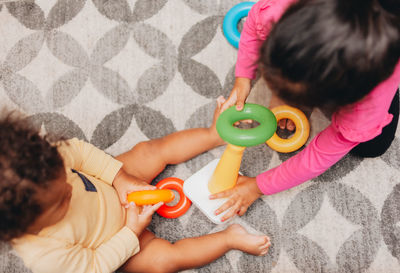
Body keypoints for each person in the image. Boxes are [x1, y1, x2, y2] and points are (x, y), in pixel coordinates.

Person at [0, 98, 271, 273]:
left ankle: (214, 134)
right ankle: (228, 239)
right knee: (162, 261)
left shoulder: (43, 162)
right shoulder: (46, 257)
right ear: (27, 227)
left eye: (65, 179)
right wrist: (131, 232)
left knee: (148, 151)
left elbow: (80, 154)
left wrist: (119, 178)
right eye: (61, 201)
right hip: (116, 240)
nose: (70, 189)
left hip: (110, 183)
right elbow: (95, 266)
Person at [213, 0, 400, 221]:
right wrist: (243, 78)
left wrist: (258, 186)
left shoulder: (367, 103)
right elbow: (255, 22)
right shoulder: (279, 11)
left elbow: (318, 158)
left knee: (372, 145)